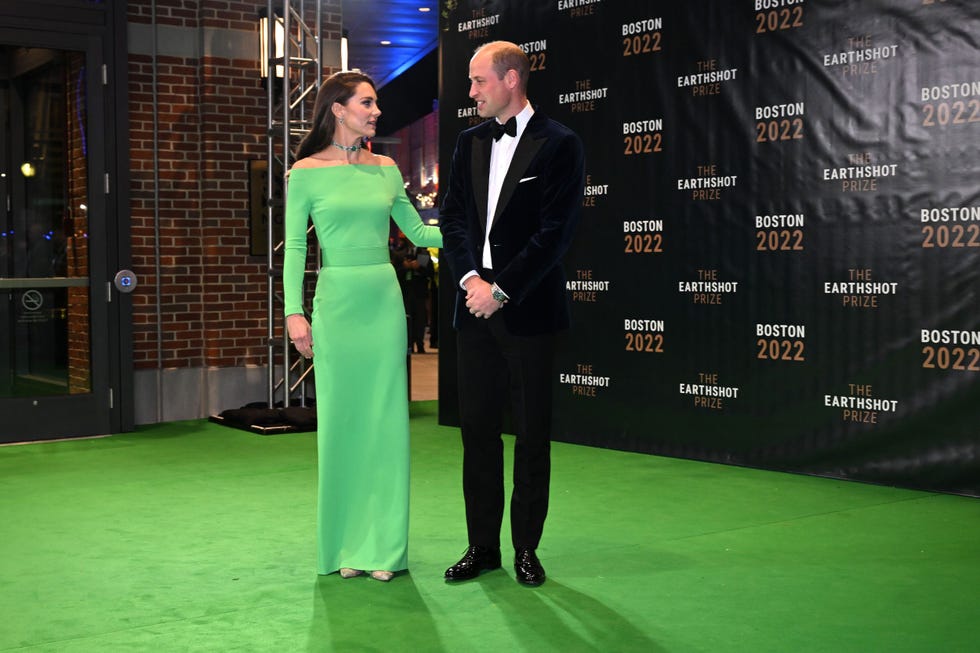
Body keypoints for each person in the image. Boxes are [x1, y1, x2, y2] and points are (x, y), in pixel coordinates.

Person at [282, 71, 442, 582]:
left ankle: (385, 549)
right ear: (338, 108)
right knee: (341, 426)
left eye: (376, 104)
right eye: (367, 103)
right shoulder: (304, 172)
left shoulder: (387, 168)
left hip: (382, 302)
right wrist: (294, 312)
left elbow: (417, 231)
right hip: (337, 303)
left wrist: (477, 229)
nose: (376, 112)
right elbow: (298, 248)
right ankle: (346, 545)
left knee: (386, 424)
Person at [439, 41, 585, 587]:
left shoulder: (560, 144)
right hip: (471, 312)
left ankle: (526, 548)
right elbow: (451, 218)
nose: (471, 91)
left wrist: (500, 289)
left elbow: (556, 234)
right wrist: (471, 281)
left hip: (528, 313)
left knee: (530, 435)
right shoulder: (468, 142)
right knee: (476, 434)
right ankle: (482, 548)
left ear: (512, 80)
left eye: (478, 81)